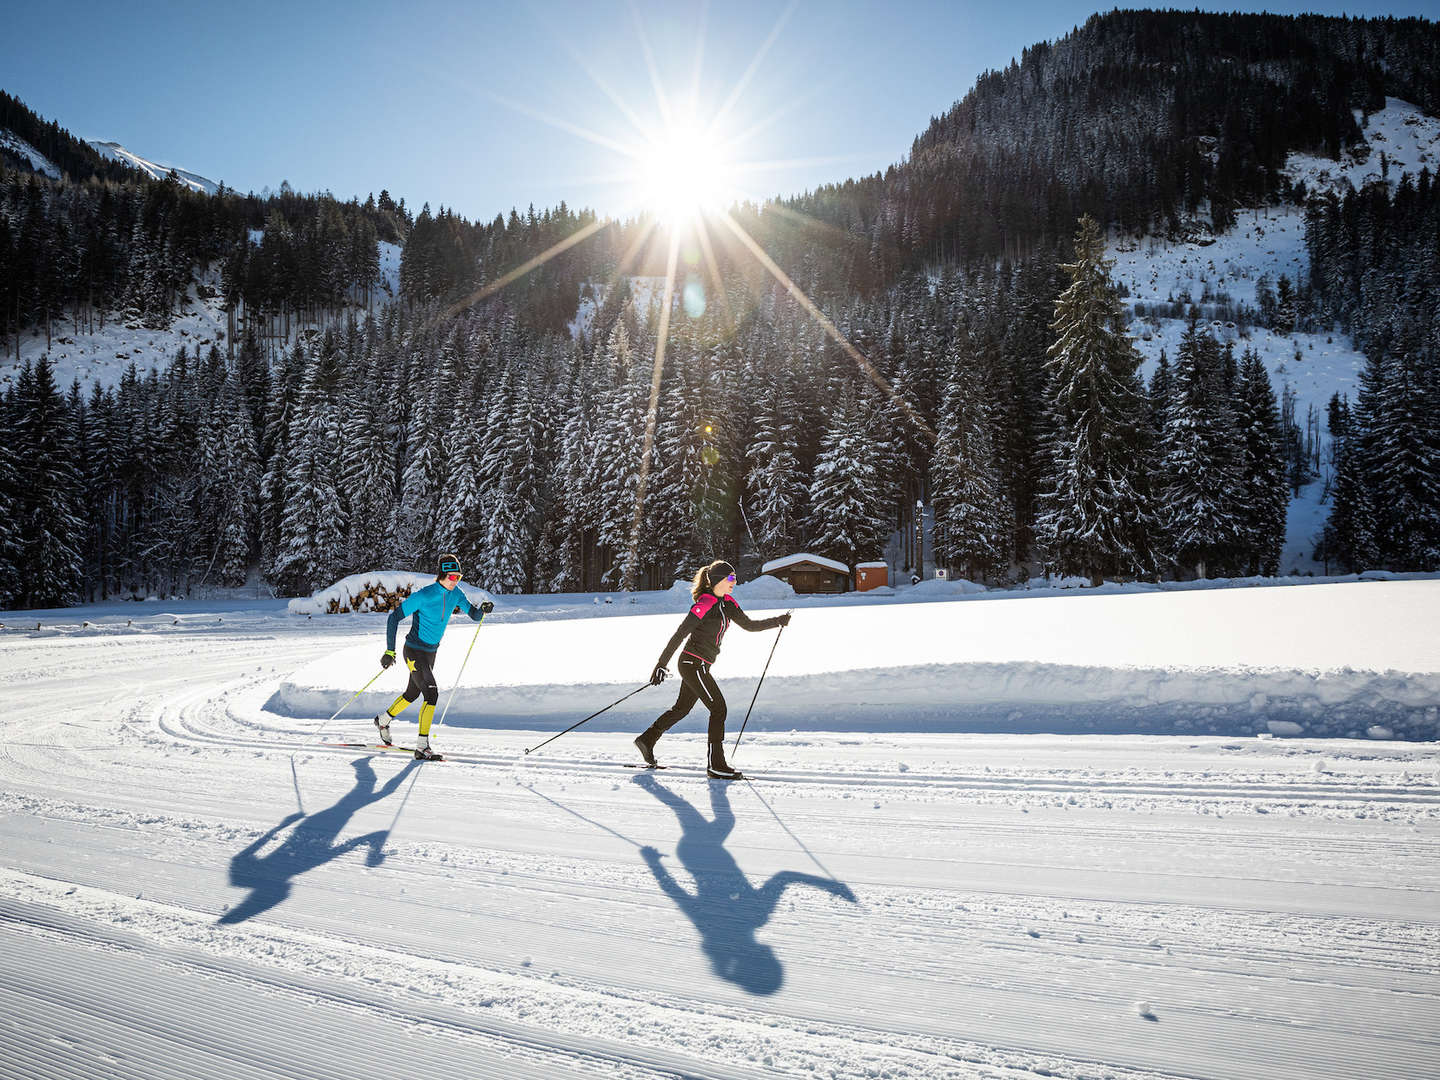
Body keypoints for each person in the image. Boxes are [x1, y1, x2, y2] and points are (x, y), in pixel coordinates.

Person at [634, 560, 791, 779]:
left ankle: (647, 739)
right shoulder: (705, 602)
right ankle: (716, 764)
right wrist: (661, 664)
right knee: (719, 708)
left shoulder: (728, 603)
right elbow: (680, 634)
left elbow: (749, 625)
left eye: (734, 578)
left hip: (700, 665)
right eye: (730, 578)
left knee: (681, 708)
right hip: (691, 663)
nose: (734, 582)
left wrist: (778, 621)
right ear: (717, 580)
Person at [373, 554, 492, 760]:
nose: (456, 581)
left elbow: (473, 615)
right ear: (443, 575)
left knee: (412, 694)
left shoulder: (456, 594)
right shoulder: (424, 595)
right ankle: (422, 747)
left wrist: (483, 610)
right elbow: (394, 618)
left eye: (459, 577)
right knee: (431, 693)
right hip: (413, 651)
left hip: (430, 653)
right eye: (453, 577)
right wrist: (390, 651)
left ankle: (382, 721)